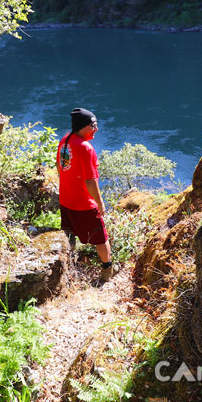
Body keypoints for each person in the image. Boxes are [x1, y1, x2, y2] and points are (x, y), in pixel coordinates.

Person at [56, 108, 116, 282]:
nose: (96, 129)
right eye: (93, 125)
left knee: (69, 233)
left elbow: (59, 167)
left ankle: (67, 268)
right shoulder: (85, 148)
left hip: (66, 199)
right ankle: (107, 270)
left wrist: (69, 184)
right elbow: (91, 181)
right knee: (101, 237)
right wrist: (100, 203)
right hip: (83, 204)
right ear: (83, 126)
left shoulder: (65, 140)